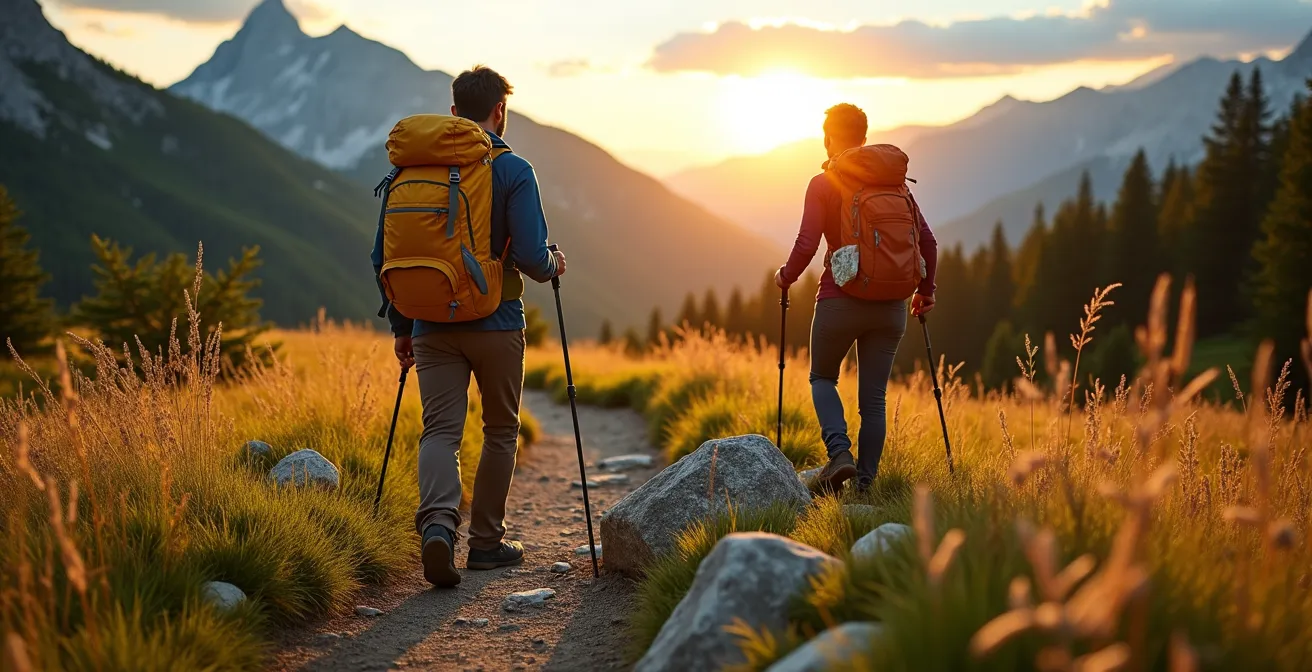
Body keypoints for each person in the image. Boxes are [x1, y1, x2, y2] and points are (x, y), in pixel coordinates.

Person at [371, 65, 566, 588]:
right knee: (500, 430)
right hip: (497, 322)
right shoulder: (513, 169)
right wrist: (552, 265)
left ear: (454, 112)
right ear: (500, 111)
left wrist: (402, 328)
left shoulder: (411, 171)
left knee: (441, 432)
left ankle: (437, 528)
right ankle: (485, 543)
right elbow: (528, 254)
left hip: (430, 323)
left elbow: (383, 256)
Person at [774, 103, 938, 494]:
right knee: (874, 401)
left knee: (823, 377)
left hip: (839, 298)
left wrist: (785, 277)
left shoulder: (823, 182)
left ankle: (839, 454)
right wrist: (926, 293)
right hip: (892, 307)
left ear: (828, 138)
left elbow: (807, 243)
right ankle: (865, 487)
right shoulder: (896, 185)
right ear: (864, 139)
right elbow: (928, 242)